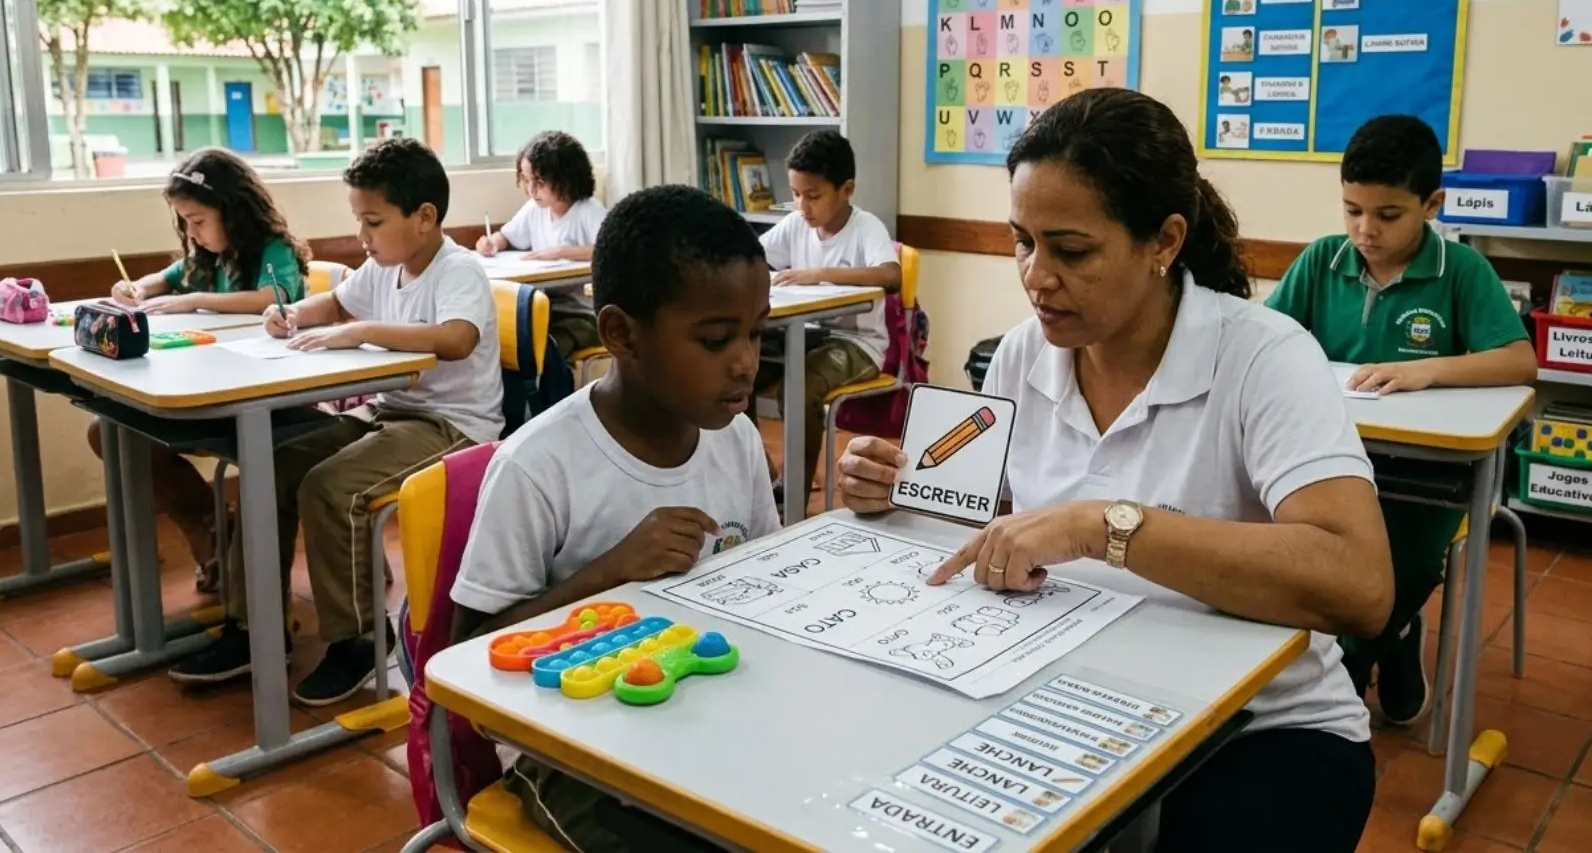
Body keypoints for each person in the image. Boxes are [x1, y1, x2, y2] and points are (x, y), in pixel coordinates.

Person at [837, 88, 1392, 853]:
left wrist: (1107, 526)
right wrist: (895, 489)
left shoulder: (1264, 356)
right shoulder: (1022, 354)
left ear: (1164, 241)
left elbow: (1360, 585)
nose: (1035, 277)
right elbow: (981, 517)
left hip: (1258, 726)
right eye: (1020, 242)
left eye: (1071, 250)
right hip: (1067, 702)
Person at [451, 184, 779, 852]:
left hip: (704, 711)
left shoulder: (736, 438)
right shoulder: (538, 467)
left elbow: (771, 579)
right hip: (572, 754)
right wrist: (607, 575)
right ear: (621, 333)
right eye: (716, 339)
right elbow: (469, 661)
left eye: (756, 332)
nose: (746, 361)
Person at [169, 138, 504, 706]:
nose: (362, 236)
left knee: (330, 487)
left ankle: (359, 639)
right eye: (358, 221)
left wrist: (361, 331)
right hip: (389, 415)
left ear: (424, 218)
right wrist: (291, 313)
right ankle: (255, 630)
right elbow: (334, 304)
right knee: (270, 468)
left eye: (372, 221)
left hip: (452, 428)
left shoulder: (458, 270)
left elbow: (455, 338)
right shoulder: (382, 268)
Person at [1265, 114, 1536, 724]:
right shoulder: (1321, 260)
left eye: (1387, 215)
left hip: (1427, 474)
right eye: (1351, 210)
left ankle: (1360, 651)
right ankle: (1389, 633)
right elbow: (1268, 339)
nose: (1365, 230)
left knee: (1408, 563)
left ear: (1431, 204)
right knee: (1293, 541)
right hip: (1330, 455)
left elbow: (1520, 360)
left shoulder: (1461, 271)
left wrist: (1429, 370)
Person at [90, 148, 309, 595]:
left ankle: (218, 546)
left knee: (126, 434)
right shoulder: (206, 254)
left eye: (198, 220)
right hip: (212, 391)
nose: (192, 231)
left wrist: (195, 300)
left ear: (232, 210)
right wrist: (137, 287)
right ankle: (211, 529)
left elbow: (273, 295)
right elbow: (166, 278)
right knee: (110, 431)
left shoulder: (273, 249)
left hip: (268, 397)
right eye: (185, 222)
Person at [751, 130, 900, 508]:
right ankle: (759, 475)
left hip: (858, 344)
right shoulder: (797, 224)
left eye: (813, 196)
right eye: (796, 194)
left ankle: (793, 497)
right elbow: (753, 253)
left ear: (846, 189)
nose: (802, 206)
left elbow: (890, 275)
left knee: (799, 386)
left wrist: (820, 273)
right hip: (807, 333)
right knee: (740, 365)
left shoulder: (866, 227)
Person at [474, 130, 607, 357]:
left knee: (544, 350)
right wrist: (491, 242)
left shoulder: (588, 210)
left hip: (583, 314)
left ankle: (551, 390)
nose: (531, 189)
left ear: (566, 179)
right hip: (544, 310)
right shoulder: (534, 210)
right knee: (504, 342)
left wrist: (561, 253)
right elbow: (507, 236)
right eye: (526, 180)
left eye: (540, 181)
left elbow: (609, 250)